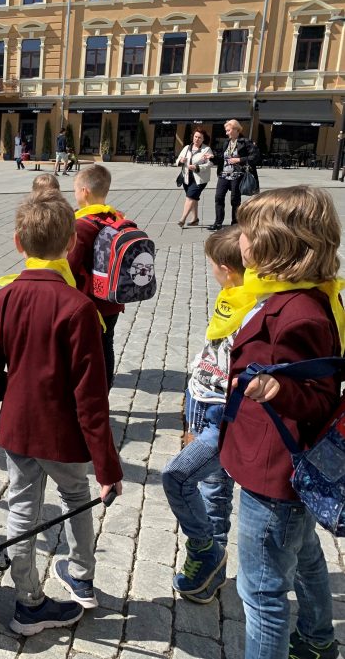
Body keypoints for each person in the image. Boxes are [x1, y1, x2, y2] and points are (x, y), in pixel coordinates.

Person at [0, 195, 123, 636]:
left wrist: (12, 394)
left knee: (21, 508)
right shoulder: (79, 308)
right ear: (73, 242)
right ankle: (81, 574)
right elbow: (91, 397)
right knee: (76, 497)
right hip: (63, 434)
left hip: (18, 430)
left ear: (18, 243)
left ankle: (27, 601)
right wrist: (108, 466)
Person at [220, 186, 342, 659]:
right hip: (267, 457)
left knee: (263, 593)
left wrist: (280, 389)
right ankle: (316, 638)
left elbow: (320, 395)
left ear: (278, 244)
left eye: (248, 233)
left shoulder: (300, 312)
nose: (241, 241)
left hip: (273, 474)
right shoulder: (286, 296)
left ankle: (304, 640)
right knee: (305, 552)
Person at [162, 226, 243, 604]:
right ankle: (214, 572)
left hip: (221, 413)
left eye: (211, 264)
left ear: (225, 268)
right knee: (214, 487)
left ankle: (207, 552)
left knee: (184, 479)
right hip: (203, 401)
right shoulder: (232, 297)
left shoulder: (252, 306)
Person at [68, 164, 124, 389]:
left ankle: (88, 393)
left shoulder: (82, 225)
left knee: (85, 350)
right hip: (113, 298)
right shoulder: (116, 217)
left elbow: (70, 266)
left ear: (84, 191)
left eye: (75, 189)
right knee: (106, 344)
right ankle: (105, 388)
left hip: (89, 302)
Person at [208, 119, 259, 231]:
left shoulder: (245, 142)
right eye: (226, 131)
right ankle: (218, 223)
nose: (226, 133)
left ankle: (235, 224)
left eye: (228, 130)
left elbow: (255, 157)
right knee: (218, 197)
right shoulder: (227, 142)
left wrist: (239, 159)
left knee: (235, 200)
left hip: (237, 174)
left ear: (236, 129)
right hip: (224, 174)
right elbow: (223, 158)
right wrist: (213, 157)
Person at [176, 130, 214, 228]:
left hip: (200, 178)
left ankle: (182, 219)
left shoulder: (207, 149)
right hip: (187, 177)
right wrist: (180, 160)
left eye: (199, 137)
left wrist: (197, 167)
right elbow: (178, 160)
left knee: (190, 197)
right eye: (195, 137)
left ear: (203, 139)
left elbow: (210, 163)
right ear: (193, 137)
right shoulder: (186, 148)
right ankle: (195, 219)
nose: (197, 139)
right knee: (194, 198)